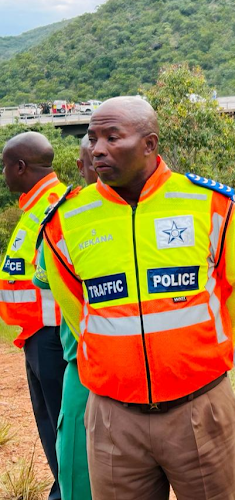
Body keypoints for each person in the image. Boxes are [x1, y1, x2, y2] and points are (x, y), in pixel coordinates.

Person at [40, 96, 235, 500]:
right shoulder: (65, 221)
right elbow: (75, 307)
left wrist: (204, 357)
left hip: (199, 409)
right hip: (113, 418)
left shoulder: (211, 205)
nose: (97, 148)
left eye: (112, 137)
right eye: (92, 138)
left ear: (150, 144)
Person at [1, 131, 67, 500]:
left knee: (61, 424)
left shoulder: (55, 207)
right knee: (47, 422)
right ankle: (63, 487)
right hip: (35, 333)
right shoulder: (33, 208)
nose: (4, 174)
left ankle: (69, 491)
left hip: (54, 334)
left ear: (21, 167)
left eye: (5, 166)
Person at [33, 136, 97, 500]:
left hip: (150, 376)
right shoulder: (64, 220)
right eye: (93, 155)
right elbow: (45, 280)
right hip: (84, 367)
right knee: (78, 473)